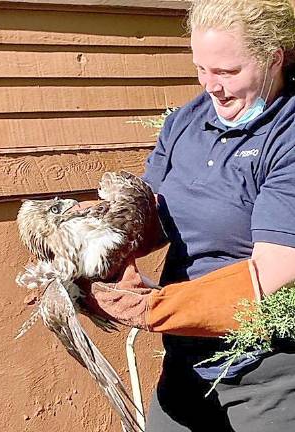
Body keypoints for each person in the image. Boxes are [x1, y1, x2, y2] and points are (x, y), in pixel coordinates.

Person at [78, 1, 295, 430]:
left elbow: (278, 271)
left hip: (269, 369)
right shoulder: (186, 122)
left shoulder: (287, 135)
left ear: (274, 58)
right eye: (201, 69)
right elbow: (154, 216)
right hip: (187, 359)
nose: (211, 85)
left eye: (228, 72)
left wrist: (155, 308)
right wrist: (95, 236)